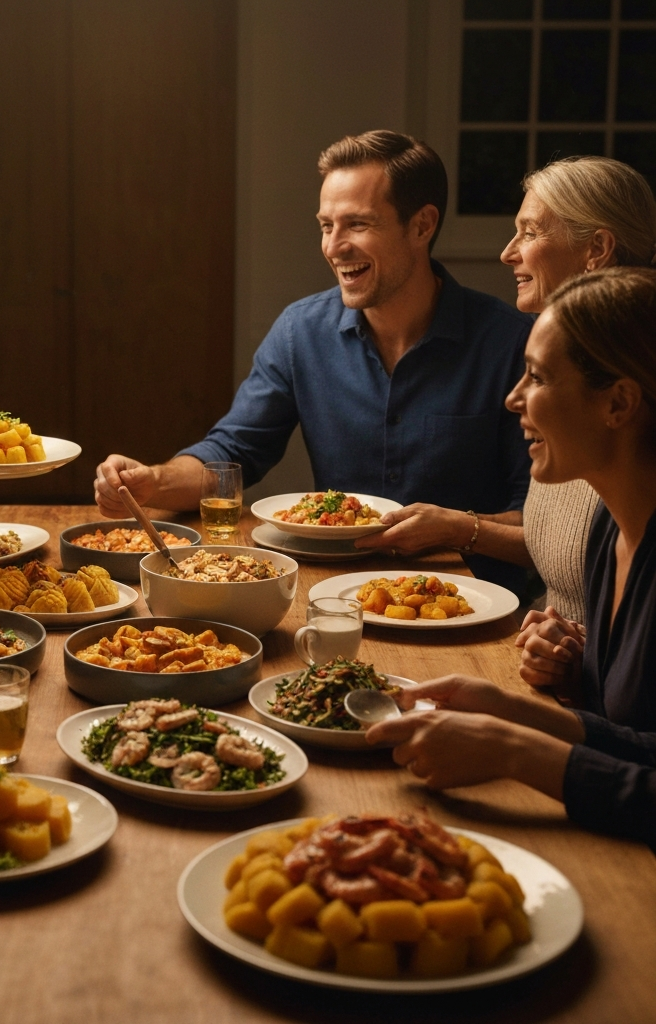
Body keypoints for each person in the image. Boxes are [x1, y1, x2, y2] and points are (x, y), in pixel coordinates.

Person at [94, 131, 533, 588]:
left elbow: (539, 524)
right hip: (335, 589)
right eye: (327, 225)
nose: (333, 246)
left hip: (475, 603)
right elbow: (232, 453)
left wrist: (460, 529)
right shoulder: (300, 331)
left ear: (422, 225)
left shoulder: (513, 345)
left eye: (358, 225)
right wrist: (151, 482)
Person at [365, 267, 656, 848]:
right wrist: (504, 707)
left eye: (537, 377)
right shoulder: (611, 527)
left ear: (618, 402)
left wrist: (512, 750)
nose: (512, 397)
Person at [359, 156, 656, 630]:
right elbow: (556, 542)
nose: (507, 252)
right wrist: (457, 526)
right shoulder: (556, 359)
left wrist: (461, 529)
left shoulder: (601, 390)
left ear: (597, 248)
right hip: (549, 649)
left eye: (531, 232)